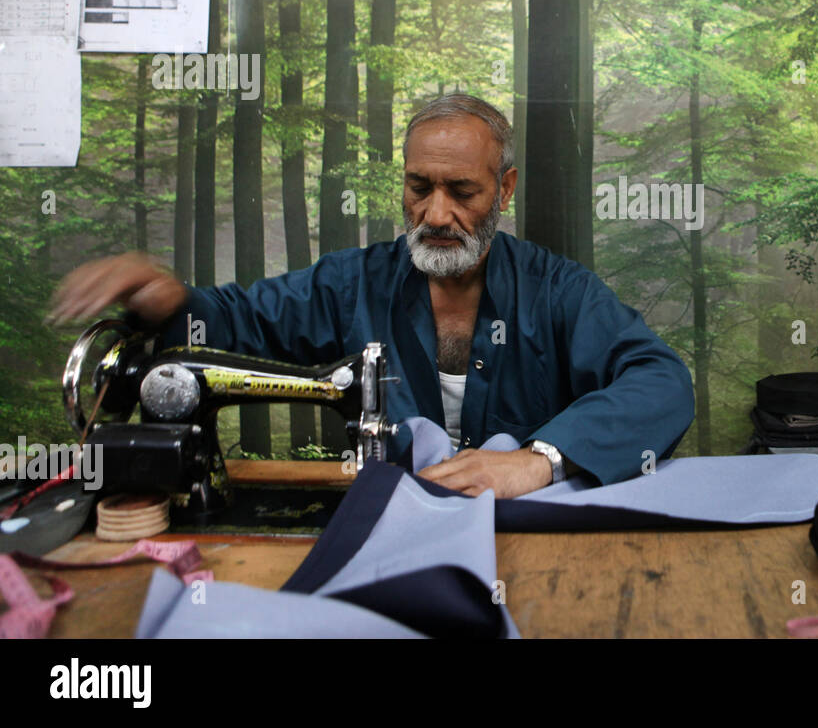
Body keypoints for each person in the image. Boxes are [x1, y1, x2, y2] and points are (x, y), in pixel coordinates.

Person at [49, 94, 695, 499]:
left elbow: (663, 381)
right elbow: (232, 325)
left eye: (462, 192)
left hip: (528, 541)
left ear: (504, 190)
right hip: (392, 533)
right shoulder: (348, 285)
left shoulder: (559, 293)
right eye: (419, 187)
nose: (435, 213)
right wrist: (169, 303)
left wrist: (539, 461)